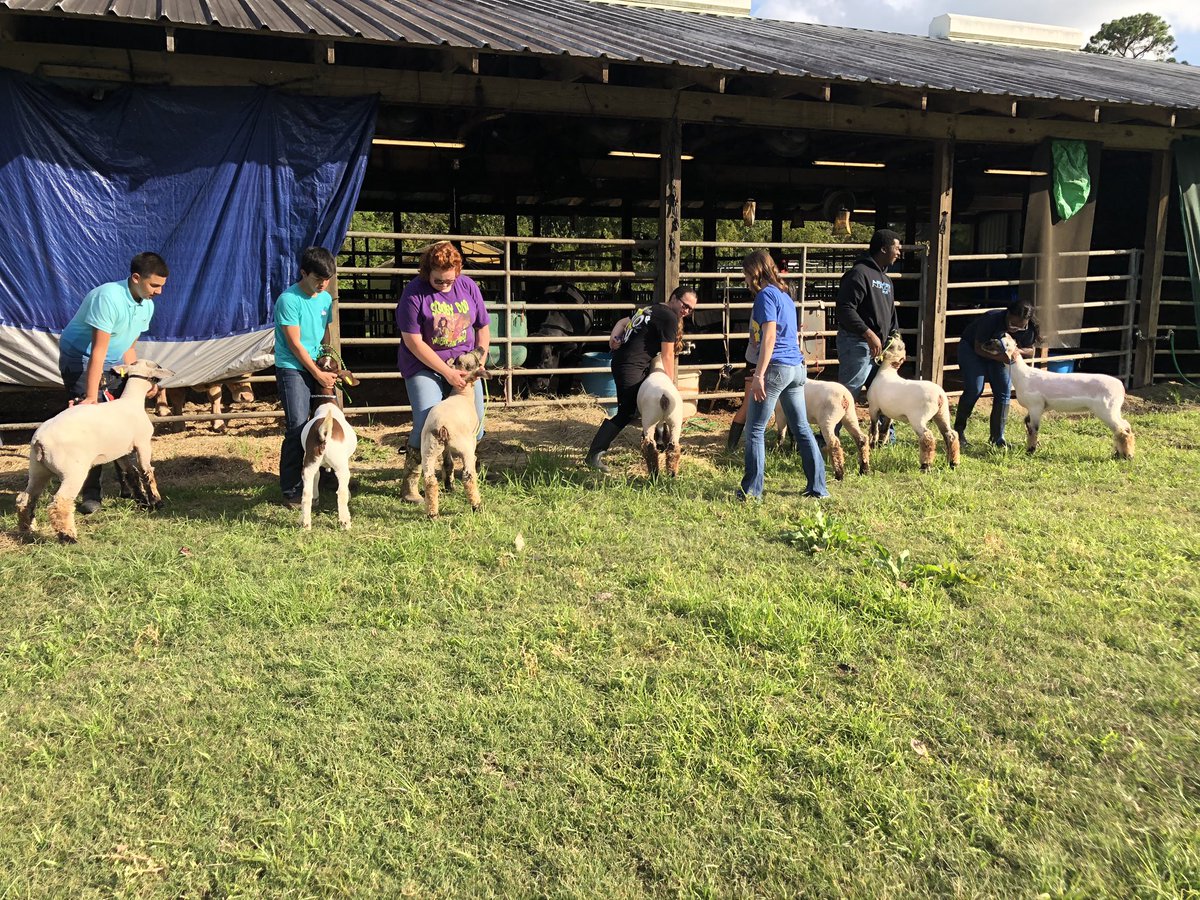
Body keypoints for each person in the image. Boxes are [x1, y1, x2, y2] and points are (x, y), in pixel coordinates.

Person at [57, 251, 170, 514]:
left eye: (162, 286)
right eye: (154, 285)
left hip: (113, 361)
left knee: (122, 422)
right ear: (136, 278)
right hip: (81, 359)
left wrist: (140, 378)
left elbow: (128, 349)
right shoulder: (108, 297)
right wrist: (90, 397)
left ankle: (128, 486)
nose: (159, 292)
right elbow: (98, 350)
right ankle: (90, 495)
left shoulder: (147, 304)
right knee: (91, 426)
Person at [395, 241, 490, 502]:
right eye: (439, 281)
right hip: (424, 364)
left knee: (476, 426)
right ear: (427, 272)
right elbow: (413, 341)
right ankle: (411, 484)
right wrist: (446, 373)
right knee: (427, 421)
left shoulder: (468, 286)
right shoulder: (414, 293)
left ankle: (464, 473)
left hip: (464, 366)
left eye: (450, 280)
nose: (445, 285)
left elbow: (482, 326)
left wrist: (480, 356)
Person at [738, 250, 828, 500]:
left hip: (776, 367)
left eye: (746, 273)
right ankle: (818, 487)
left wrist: (759, 374)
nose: (744, 279)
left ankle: (752, 491)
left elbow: (769, 336)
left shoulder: (765, 296)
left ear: (754, 272)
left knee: (755, 429)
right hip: (796, 368)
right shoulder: (784, 295)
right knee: (801, 427)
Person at [583, 285, 697, 473]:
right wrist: (671, 386)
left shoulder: (651, 309)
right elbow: (668, 355)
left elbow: (622, 322)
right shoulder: (669, 317)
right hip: (630, 367)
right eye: (685, 305)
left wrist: (614, 337)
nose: (686, 311)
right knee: (627, 412)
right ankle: (594, 455)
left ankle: (656, 441)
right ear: (674, 298)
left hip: (626, 363)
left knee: (647, 404)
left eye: (691, 309)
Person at [274, 246, 339, 508]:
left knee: (329, 421)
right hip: (293, 366)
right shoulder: (288, 300)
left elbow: (324, 332)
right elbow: (295, 344)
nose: (323, 284)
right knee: (298, 426)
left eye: (327, 279)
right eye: (317, 279)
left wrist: (328, 358)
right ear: (303, 273)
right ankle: (292, 488)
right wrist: (318, 374)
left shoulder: (324, 298)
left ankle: (328, 477)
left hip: (318, 364)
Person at [953, 299, 1040, 448]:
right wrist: (1001, 357)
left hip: (1000, 353)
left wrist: (1017, 351)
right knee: (974, 388)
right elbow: (978, 347)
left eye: (1020, 327)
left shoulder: (1029, 327)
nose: (1015, 329)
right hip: (972, 350)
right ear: (1007, 314)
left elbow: (1031, 350)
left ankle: (998, 438)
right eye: (1012, 324)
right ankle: (958, 433)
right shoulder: (991, 319)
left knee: (1004, 391)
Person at [836, 229, 902, 400]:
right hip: (858, 343)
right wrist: (868, 333)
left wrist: (897, 340)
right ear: (883, 249)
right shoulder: (859, 273)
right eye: (896, 248)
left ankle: (884, 428)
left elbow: (891, 313)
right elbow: (845, 308)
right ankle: (831, 427)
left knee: (883, 395)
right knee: (848, 393)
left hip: (880, 347)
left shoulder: (886, 280)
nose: (899, 252)